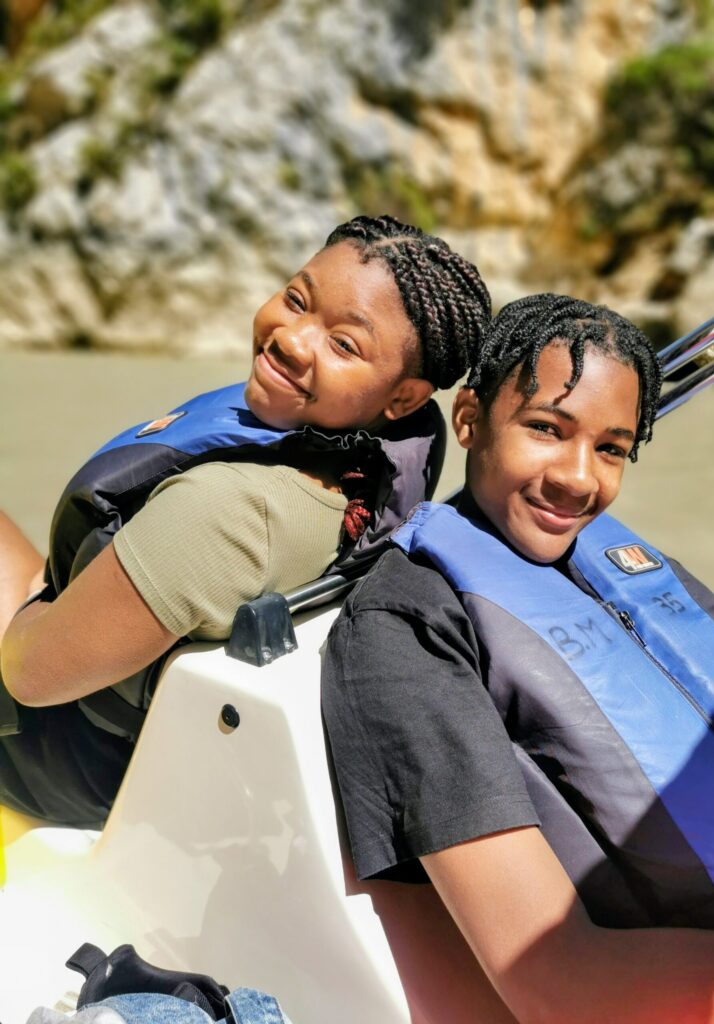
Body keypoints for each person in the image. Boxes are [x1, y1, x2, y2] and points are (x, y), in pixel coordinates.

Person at [322, 293, 714, 1022]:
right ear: (469, 419)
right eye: (545, 429)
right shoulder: (406, 627)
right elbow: (561, 982)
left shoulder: (626, 566)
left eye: (612, 448)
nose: (579, 478)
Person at [0, 214, 492, 829]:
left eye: (344, 344)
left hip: (54, 754)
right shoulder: (359, 471)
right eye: (296, 299)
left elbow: (31, 676)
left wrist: (29, 610)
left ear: (405, 398)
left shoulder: (228, 513)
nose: (290, 338)